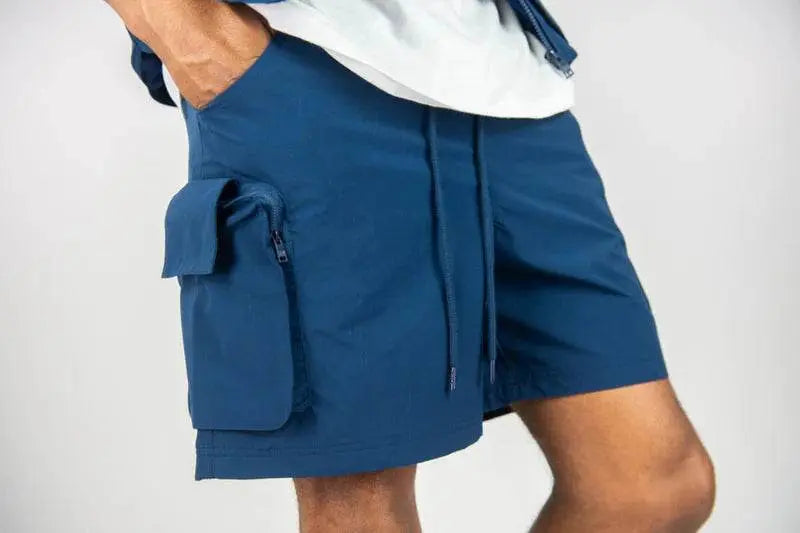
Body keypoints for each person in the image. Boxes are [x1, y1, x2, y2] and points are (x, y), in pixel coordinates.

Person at [105, 1, 716, 531]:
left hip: (505, 76)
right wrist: (189, 32)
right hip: (307, 68)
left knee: (654, 486)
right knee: (363, 501)